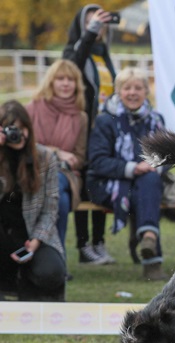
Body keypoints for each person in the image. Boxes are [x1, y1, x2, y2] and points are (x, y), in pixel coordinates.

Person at [87, 67, 167, 281]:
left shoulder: (156, 120)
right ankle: (152, 259)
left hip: (145, 183)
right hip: (107, 183)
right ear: (118, 91)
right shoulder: (105, 120)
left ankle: (147, 238)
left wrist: (154, 166)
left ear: (146, 91)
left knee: (149, 180)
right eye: (127, 88)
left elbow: (167, 156)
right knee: (146, 192)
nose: (133, 93)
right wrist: (132, 168)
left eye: (138, 88)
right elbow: (97, 161)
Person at [63, 4, 117, 265]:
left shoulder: (103, 52)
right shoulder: (75, 50)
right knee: (84, 186)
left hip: (104, 130)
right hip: (82, 129)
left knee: (100, 184)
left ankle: (99, 242)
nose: (99, 24)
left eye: (102, 20)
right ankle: (83, 245)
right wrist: (89, 32)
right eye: (93, 20)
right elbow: (72, 66)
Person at [0, 100, 66, 301]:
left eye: (21, 128)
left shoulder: (45, 157)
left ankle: (27, 282)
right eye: (11, 129)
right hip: (2, 234)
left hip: (32, 233)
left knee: (51, 272)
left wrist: (36, 240)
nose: (17, 134)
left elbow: (50, 208)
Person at [26, 59, 88, 265]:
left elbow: (79, 158)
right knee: (58, 201)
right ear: (51, 82)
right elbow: (25, 145)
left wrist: (67, 160)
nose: (65, 84)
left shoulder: (80, 117)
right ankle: (51, 259)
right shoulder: (31, 109)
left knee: (58, 194)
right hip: (32, 170)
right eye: (60, 79)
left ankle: (56, 260)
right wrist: (56, 152)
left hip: (65, 175)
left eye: (70, 79)